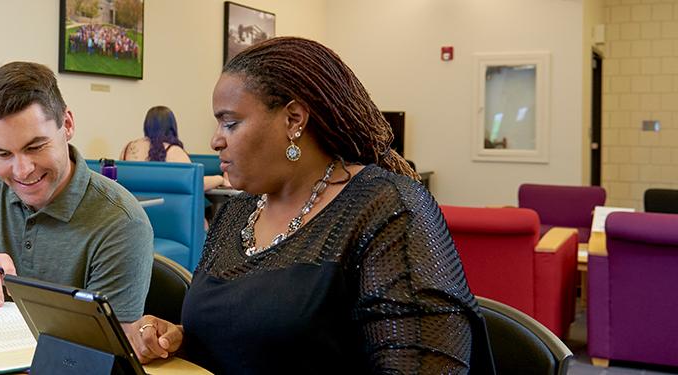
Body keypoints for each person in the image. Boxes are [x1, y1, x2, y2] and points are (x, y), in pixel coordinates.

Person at [130, 37, 493, 373]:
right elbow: (247, 335)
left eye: (231, 123)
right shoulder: (237, 212)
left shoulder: (389, 210)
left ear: (293, 119)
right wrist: (178, 337)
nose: (215, 141)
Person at [0, 61, 154, 353]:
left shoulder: (121, 222)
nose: (22, 170)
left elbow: (105, 356)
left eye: (35, 147)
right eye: (3, 153)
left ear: (67, 124)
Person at [121, 106, 229, 191]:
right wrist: (220, 179)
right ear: (171, 127)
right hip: (169, 212)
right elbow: (195, 184)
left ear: (147, 125)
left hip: (134, 212)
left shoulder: (128, 148)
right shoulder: (173, 151)